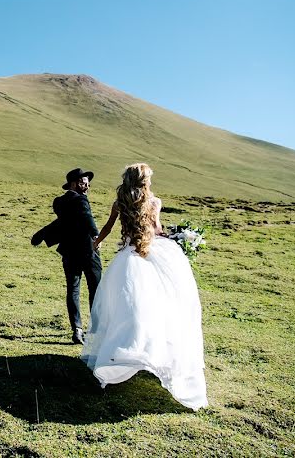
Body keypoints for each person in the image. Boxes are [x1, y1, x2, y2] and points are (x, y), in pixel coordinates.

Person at [83, 163, 207, 410]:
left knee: (125, 307)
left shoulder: (119, 203)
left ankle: (123, 350)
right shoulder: (154, 202)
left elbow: (108, 227)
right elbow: (157, 230)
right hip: (151, 253)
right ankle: (152, 352)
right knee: (163, 304)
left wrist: (96, 243)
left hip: (128, 257)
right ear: (144, 181)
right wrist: (177, 238)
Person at [32, 167, 101, 344]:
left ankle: (77, 329)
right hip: (87, 250)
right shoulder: (81, 200)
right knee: (96, 288)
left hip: (69, 250)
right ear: (76, 183)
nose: (88, 185)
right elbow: (86, 218)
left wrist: (42, 234)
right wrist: (96, 236)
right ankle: (96, 329)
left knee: (73, 289)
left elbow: (62, 222)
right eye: (85, 181)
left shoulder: (59, 202)